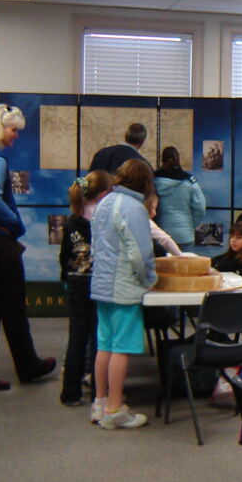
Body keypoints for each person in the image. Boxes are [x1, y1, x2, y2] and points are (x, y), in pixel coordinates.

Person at [0, 104, 57, 392]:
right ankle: (28, 367)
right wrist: (16, 225)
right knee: (13, 306)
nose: (16, 135)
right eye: (13, 129)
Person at [90, 158, 157, 429]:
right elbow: (140, 254)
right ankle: (116, 409)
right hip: (123, 286)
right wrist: (149, 280)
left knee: (104, 344)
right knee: (122, 347)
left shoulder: (104, 203)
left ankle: (100, 402)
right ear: (144, 182)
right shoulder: (134, 208)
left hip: (101, 284)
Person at [58, 171, 112, 406]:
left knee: (77, 337)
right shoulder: (105, 219)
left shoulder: (71, 221)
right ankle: (100, 392)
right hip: (99, 282)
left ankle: (70, 393)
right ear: (103, 195)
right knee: (100, 337)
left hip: (76, 283)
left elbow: (63, 256)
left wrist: (68, 278)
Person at [154, 146, 206, 251]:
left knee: (162, 266)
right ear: (178, 159)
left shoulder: (153, 180)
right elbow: (200, 207)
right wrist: (190, 224)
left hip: (160, 234)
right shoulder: (189, 181)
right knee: (184, 266)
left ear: (162, 160)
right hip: (185, 235)